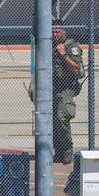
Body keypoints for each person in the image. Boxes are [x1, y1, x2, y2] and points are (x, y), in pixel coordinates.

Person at [26, 21, 85, 165]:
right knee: (49, 121)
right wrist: (33, 85)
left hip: (65, 89)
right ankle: (57, 151)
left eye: (57, 31)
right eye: (52, 31)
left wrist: (64, 55)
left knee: (61, 118)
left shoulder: (71, 47)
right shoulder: (49, 47)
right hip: (50, 89)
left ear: (64, 31)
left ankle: (67, 150)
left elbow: (79, 71)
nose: (54, 34)